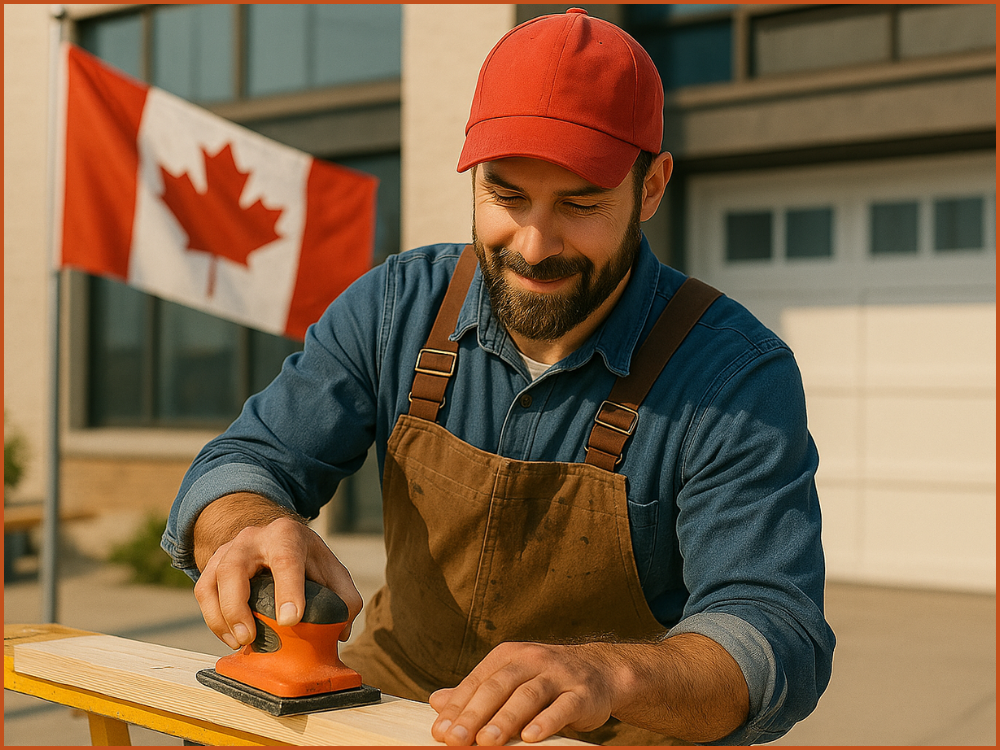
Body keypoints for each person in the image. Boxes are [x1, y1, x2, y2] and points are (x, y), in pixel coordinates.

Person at [163, 9, 834, 746]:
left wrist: (609, 676)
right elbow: (246, 460)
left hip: (606, 733)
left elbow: (775, 632)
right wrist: (248, 526)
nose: (535, 245)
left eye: (581, 204)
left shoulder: (735, 376)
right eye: (506, 196)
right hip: (391, 705)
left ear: (651, 187)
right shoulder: (396, 308)